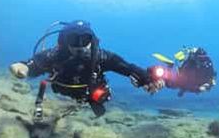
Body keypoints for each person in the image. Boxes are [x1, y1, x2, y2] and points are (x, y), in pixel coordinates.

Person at [10, 21, 164, 119]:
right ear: (64, 41)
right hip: (62, 92)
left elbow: (128, 68)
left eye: (85, 40)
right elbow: (33, 64)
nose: (80, 45)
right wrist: (22, 67)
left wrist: (148, 80)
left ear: (93, 40)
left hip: (89, 94)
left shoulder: (102, 57)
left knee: (99, 99)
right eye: (73, 40)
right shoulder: (55, 55)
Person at [150, 46, 217, 97]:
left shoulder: (205, 64)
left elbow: (212, 76)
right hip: (188, 81)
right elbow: (182, 71)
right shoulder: (196, 62)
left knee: (171, 84)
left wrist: (206, 85)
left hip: (191, 83)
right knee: (170, 83)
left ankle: (156, 82)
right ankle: (154, 82)